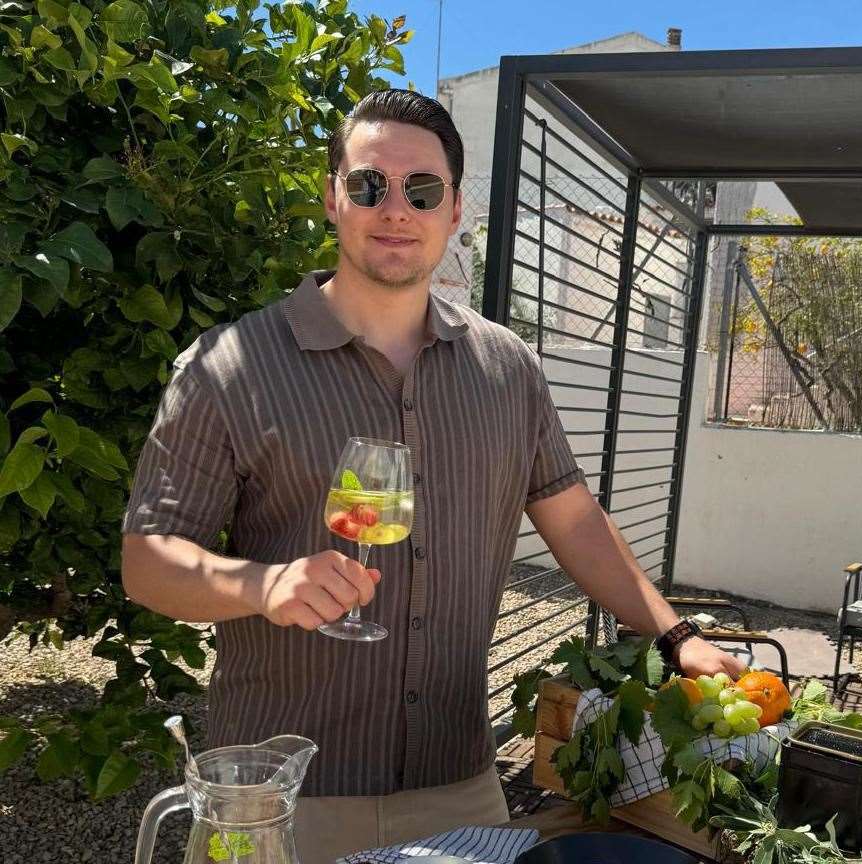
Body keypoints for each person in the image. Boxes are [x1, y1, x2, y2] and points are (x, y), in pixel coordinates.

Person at [121, 89, 744, 863]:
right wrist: (261, 586)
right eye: (367, 184)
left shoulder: (508, 368)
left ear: (453, 211)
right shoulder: (229, 367)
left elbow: (576, 520)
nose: (394, 208)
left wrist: (676, 634)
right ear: (332, 198)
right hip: (281, 799)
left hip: (458, 782)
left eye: (422, 189)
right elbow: (148, 559)